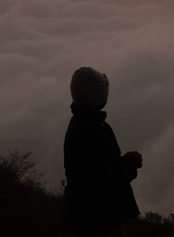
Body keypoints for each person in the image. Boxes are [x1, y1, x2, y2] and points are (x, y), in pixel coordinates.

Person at [64, 67, 143, 237]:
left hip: (83, 210)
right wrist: (129, 164)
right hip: (100, 214)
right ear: (100, 99)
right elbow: (107, 179)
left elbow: (98, 169)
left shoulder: (80, 123)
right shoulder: (93, 131)